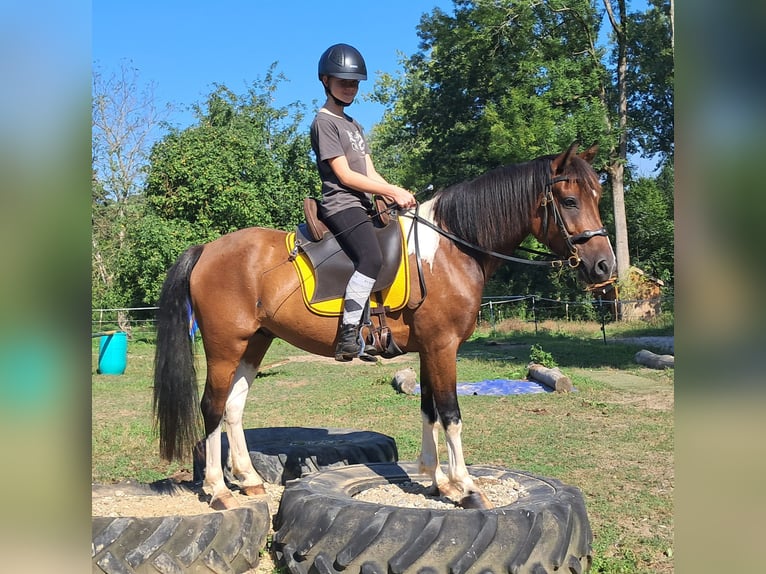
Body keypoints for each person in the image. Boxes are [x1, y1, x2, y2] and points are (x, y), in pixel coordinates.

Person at [310, 43, 416, 362]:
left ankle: (378, 327)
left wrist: (395, 191)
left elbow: (368, 171)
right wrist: (392, 192)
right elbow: (345, 175)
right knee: (371, 257)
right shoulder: (324, 122)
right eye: (343, 81)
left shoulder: (354, 126)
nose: (350, 87)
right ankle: (347, 333)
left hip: (363, 204)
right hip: (341, 204)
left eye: (354, 82)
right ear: (325, 81)